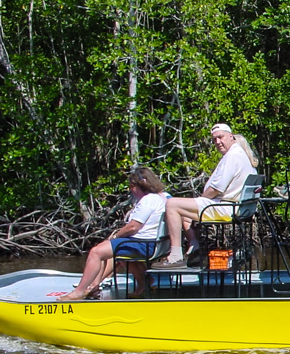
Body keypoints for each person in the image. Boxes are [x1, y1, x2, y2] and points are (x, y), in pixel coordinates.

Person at [152, 123, 257, 269]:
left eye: (220, 137)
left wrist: (202, 199)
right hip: (235, 207)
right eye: (214, 139)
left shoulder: (233, 156)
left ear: (230, 136)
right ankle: (194, 248)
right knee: (184, 210)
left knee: (172, 204)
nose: (218, 142)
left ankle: (175, 256)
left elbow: (216, 188)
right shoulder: (239, 154)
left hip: (227, 208)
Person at [58, 167, 168, 300]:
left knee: (96, 252)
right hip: (154, 244)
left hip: (143, 244)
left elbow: (133, 227)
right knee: (113, 251)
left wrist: (116, 236)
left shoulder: (148, 200)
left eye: (131, 186)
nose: (131, 189)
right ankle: (142, 284)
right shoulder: (162, 198)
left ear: (140, 185)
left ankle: (80, 291)